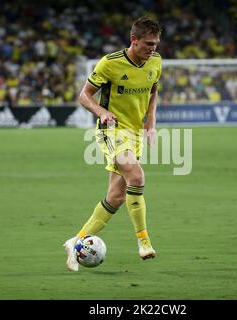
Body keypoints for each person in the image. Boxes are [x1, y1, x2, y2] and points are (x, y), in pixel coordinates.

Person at [64, 16, 162, 271]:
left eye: (156, 43)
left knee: (117, 196)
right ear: (134, 40)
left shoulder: (156, 62)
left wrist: (150, 123)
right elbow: (84, 96)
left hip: (135, 134)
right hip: (112, 130)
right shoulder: (110, 64)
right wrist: (101, 112)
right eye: (148, 43)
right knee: (137, 177)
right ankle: (144, 241)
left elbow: (153, 91)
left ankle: (75, 242)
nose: (153, 48)